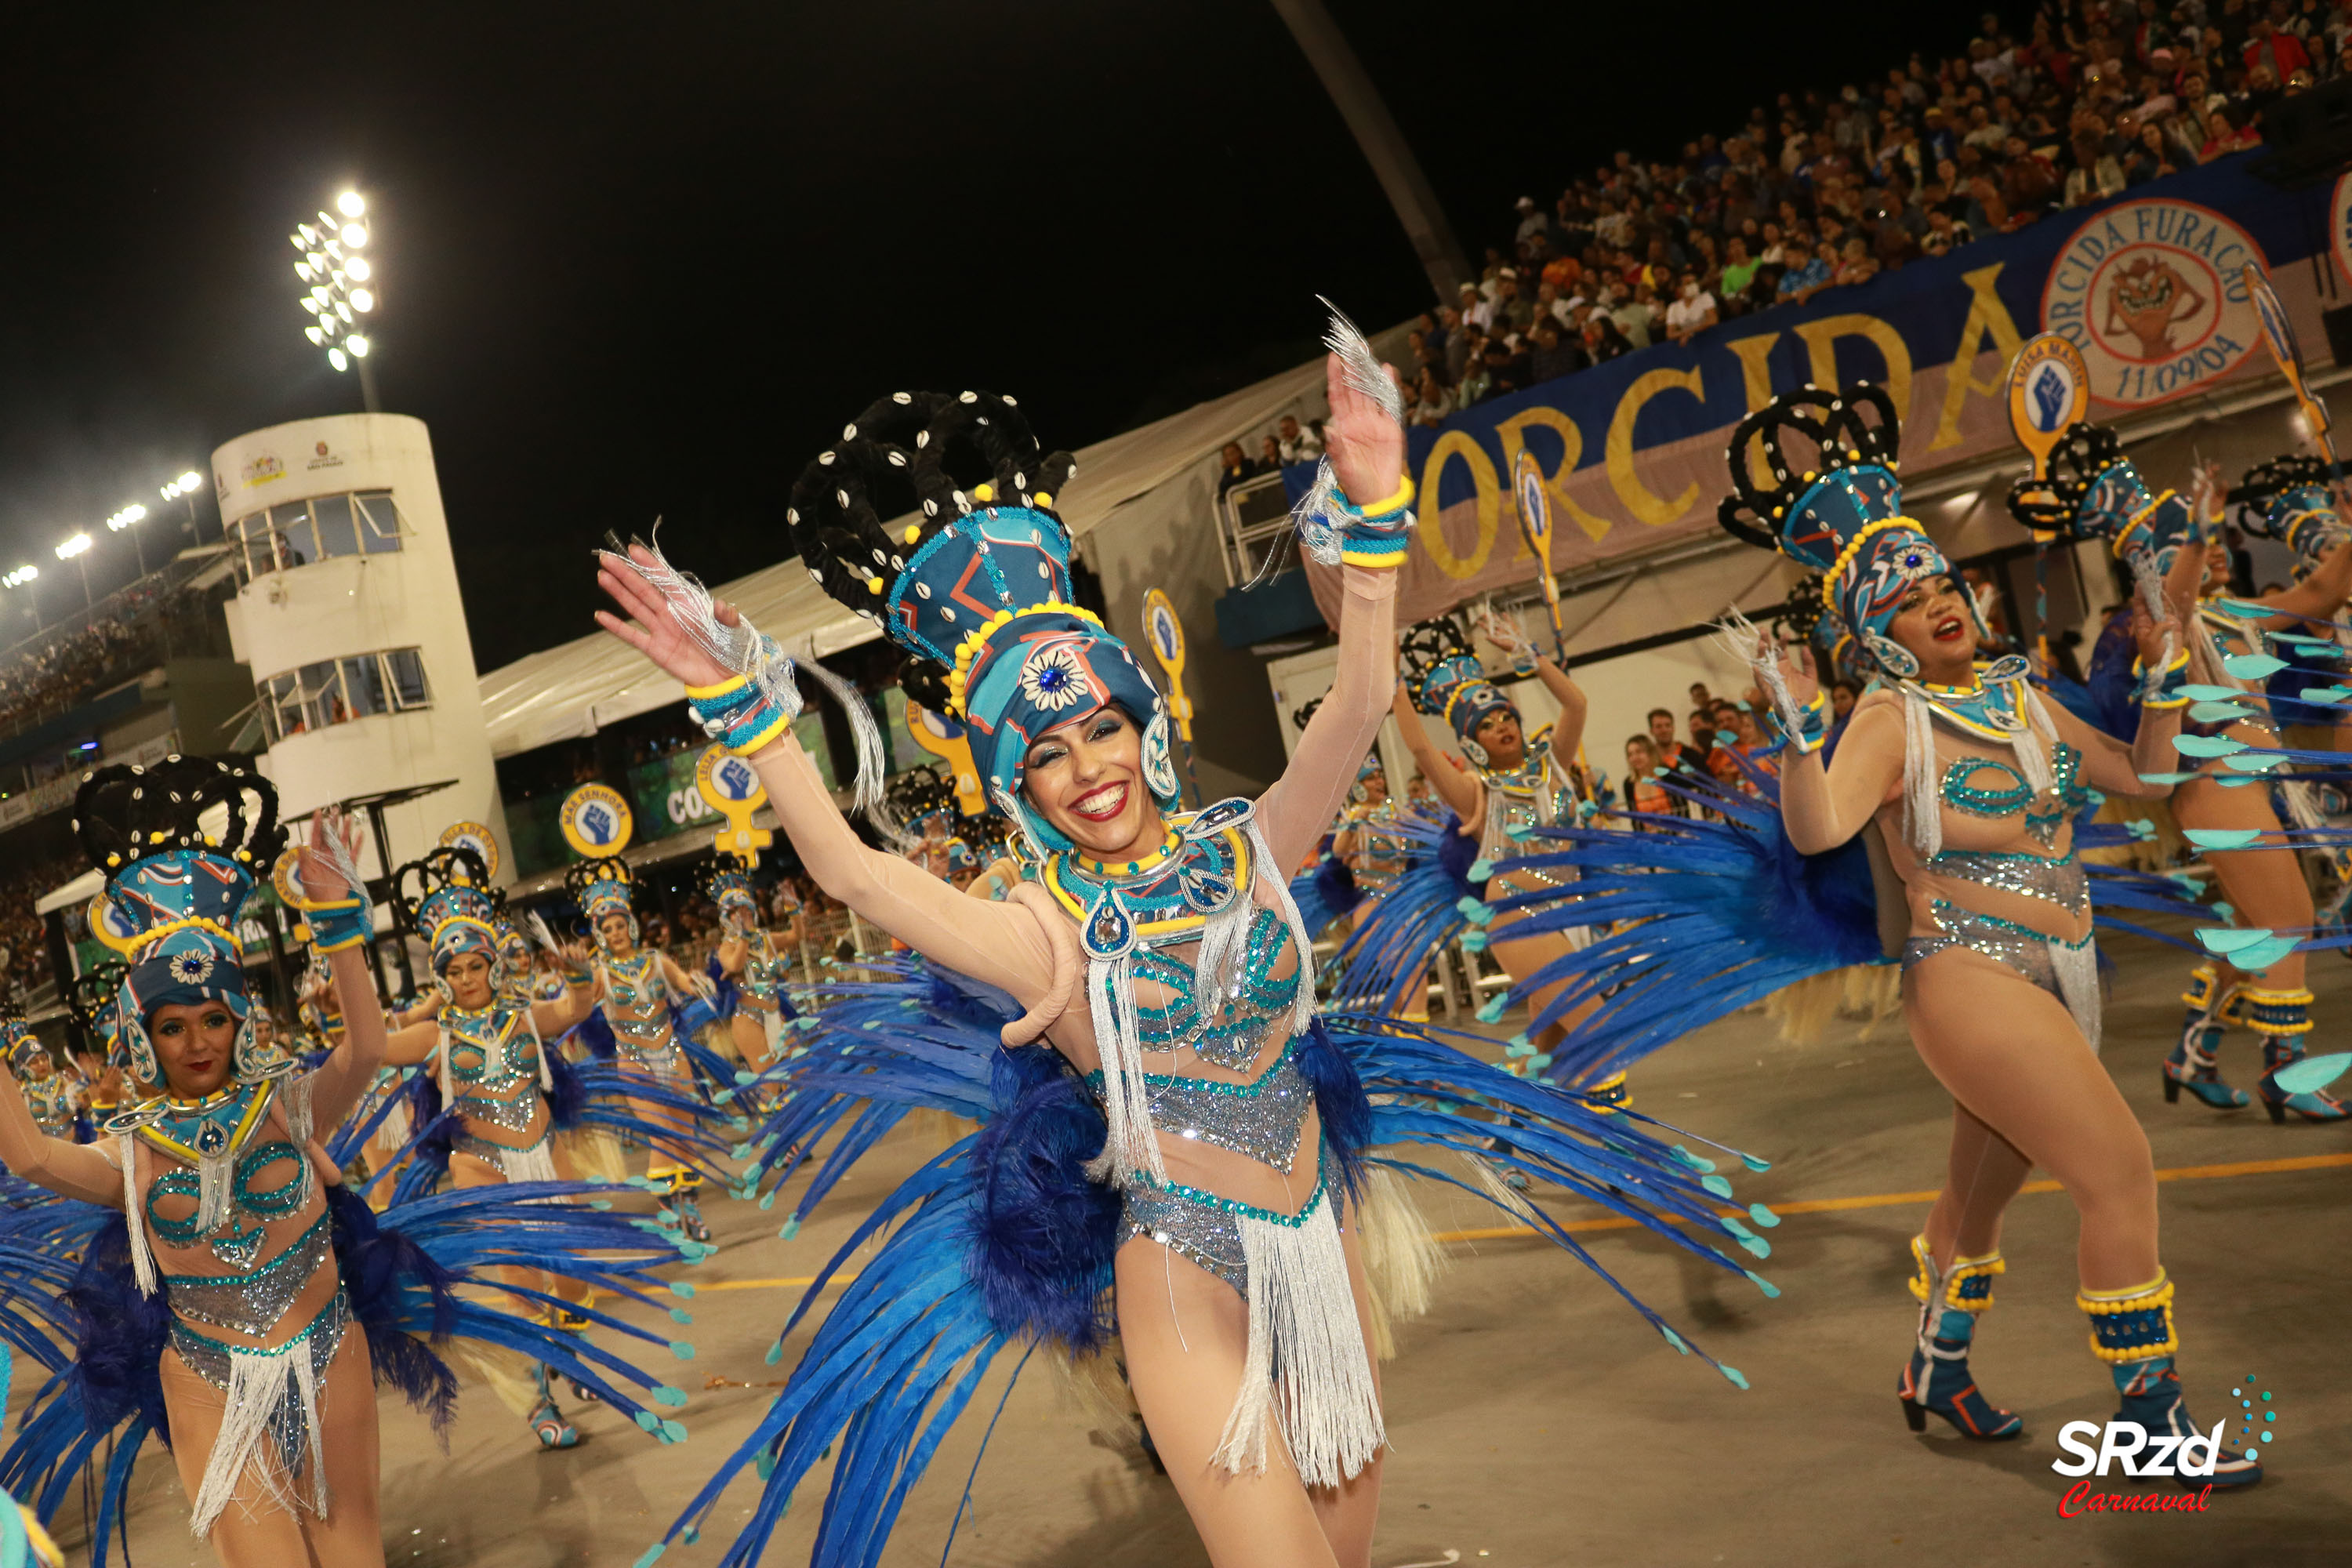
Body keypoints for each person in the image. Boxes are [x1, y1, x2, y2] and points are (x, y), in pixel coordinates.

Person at [596, 333, 1768, 1567]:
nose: (1085, 767)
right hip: (1181, 1278)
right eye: (1046, 752)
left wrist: (1376, 519)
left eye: (1099, 727)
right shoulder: (1038, 931)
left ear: (1142, 730)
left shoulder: (1253, 847)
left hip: (1324, 1246)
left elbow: (1362, 704)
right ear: (1020, 785)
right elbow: (851, 870)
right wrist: (742, 703)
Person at [1714, 385, 2250, 1479]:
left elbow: (2144, 781)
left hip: (2062, 975)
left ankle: (1937, 1366)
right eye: (1907, 600)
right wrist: (1796, 726)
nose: (1938, 600)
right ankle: (2150, 1424)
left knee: (1981, 1187)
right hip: (1969, 980)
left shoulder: (2024, 701)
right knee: (2120, 1172)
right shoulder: (1889, 720)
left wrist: (2159, 674)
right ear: (1880, 635)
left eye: (1942, 580)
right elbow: (1819, 824)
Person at [0, 763, 693, 1564]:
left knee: (354, 1555)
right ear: (143, 1036)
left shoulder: (292, 1111)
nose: (198, 1041)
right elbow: (26, 1151)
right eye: (174, 1025)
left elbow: (366, 1047)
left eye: (215, 1017)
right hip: (207, 1376)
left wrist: (340, 924)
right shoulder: (133, 1150)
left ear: (242, 1019)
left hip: (330, 1352)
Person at [2016, 436, 2352, 1123]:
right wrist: (2194, 530)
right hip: (2216, 791)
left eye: (2218, 539)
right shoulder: (2172, 620)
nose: (2217, 548)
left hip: (2260, 787)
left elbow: (2324, 589)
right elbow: (2178, 588)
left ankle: (2193, 1054)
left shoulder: (2234, 616)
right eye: (2199, 545)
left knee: (2260, 930)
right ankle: (2286, 1072)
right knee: (2290, 923)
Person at [566, 857, 722, 1240]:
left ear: (632, 927)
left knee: (685, 1134)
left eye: (621, 925)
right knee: (662, 1134)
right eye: (609, 928)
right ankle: (675, 1213)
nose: (617, 932)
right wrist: (576, 982)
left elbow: (685, 983)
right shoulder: (601, 972)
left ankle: (692, 1211)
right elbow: (580, 1007)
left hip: (674, 1055)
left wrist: (701, 982)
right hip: (635, 1063)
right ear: (599, 934)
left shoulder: (655, 960)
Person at [706, 853, 797, 1073]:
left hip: (776, 1012)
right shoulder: (726, 948)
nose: (741, 916)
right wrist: (745, 937)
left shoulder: (765, 939)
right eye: (735, 912)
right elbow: (735, 967)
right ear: (725, 918)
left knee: (799, 1073)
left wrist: (794, 909)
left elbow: (796, 935)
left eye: (744, 910)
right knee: (770, 1080)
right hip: (748, 1019)